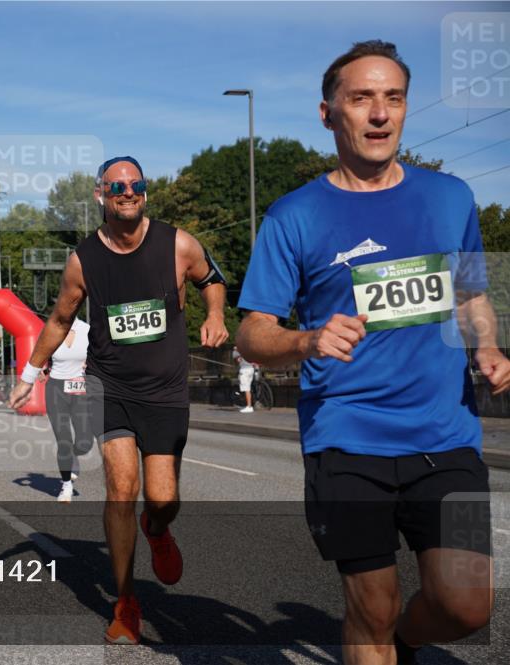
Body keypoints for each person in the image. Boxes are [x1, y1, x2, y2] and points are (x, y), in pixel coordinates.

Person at [235, 41, 507, 665]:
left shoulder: (452, 197)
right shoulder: (293, 216)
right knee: (371, 606)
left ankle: (407, 643)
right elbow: (254, 333)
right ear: (329, 113)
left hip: (448, 437)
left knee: (468, 605)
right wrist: (304, 340)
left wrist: (487, 343)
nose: (380, 114)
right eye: (361, 99)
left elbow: (471, 293)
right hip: (346, 441)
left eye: (393, 98)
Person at [9, 156, 229, 644]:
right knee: (120, 488)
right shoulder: (84, 259)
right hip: (110, 387)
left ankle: (157, 526)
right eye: (117, 186)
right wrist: (29, 373)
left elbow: (213, 279)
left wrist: (214, 314)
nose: (127, 192)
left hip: (166, 391)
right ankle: (126, 600)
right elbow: (60, 319)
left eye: (136, 185)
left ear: (145, 191)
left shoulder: (178, 244)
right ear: (100, 195)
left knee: (164, 498)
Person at [40, 317, 93, 503]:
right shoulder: (51, 328)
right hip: (55, 387)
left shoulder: (87, 330)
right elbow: (41, 354)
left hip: (78, 385)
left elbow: (99, 354)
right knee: (63, 440)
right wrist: (42, 368)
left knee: (85, 442)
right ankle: (66, 486)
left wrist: (91, 364)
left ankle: (74, 457)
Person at [232, 346, 256, 414]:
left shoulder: (238, 351)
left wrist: (236, 352)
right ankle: (248, 405)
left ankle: (249, 406)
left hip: (244, 370)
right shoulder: (249, 349)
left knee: (246, 388)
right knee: (247, 388)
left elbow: (237, 361)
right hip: (251, 368)